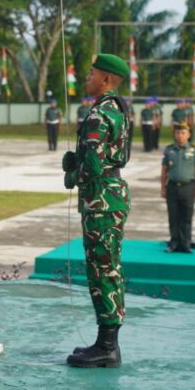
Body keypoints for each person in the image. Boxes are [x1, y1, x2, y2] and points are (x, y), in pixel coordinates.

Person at [62, 53, 131, 369]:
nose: (85, 78)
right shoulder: (118, 110)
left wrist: (72, 174)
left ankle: (107, 347)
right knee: (110, 268)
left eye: (90, 73)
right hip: (111, 197)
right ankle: (107, 342)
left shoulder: (98, 115)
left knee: (102, 270)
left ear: (105, 79)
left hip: (100, 200)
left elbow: (93, 165)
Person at [161, 122, 195, 253]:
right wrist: (163, 188)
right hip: (172, 187)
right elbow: (164, 170)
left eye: (183, 133)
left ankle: (185, 243)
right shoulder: (169, 150)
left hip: (188, 187)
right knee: (173, 217)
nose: (180, 135)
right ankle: (174, 243)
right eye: (178, 133)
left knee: (186, 217)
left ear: (188, 134)